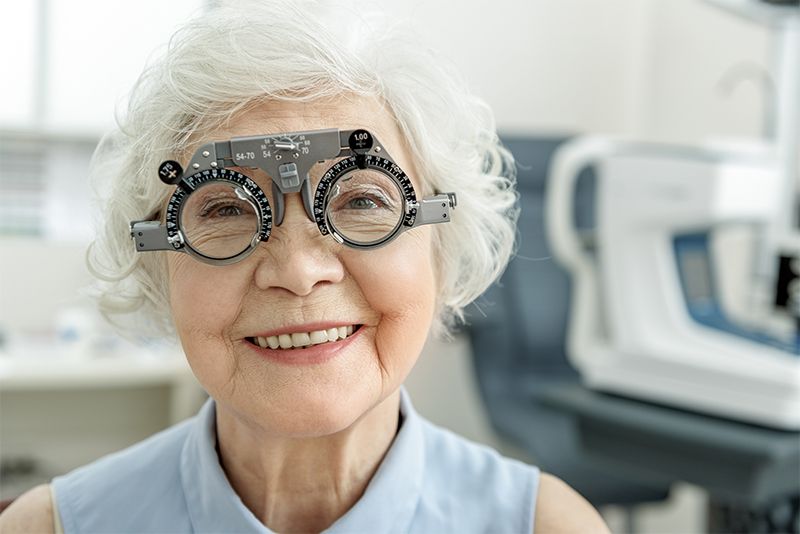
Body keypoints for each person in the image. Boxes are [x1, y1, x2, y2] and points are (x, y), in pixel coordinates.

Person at [0, 1, 609, 532]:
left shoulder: (549, 527)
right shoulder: (50, 528)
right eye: (225, 208)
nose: (297, 269)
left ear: (441, 244)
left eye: (364, 200)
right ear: (158, 263)